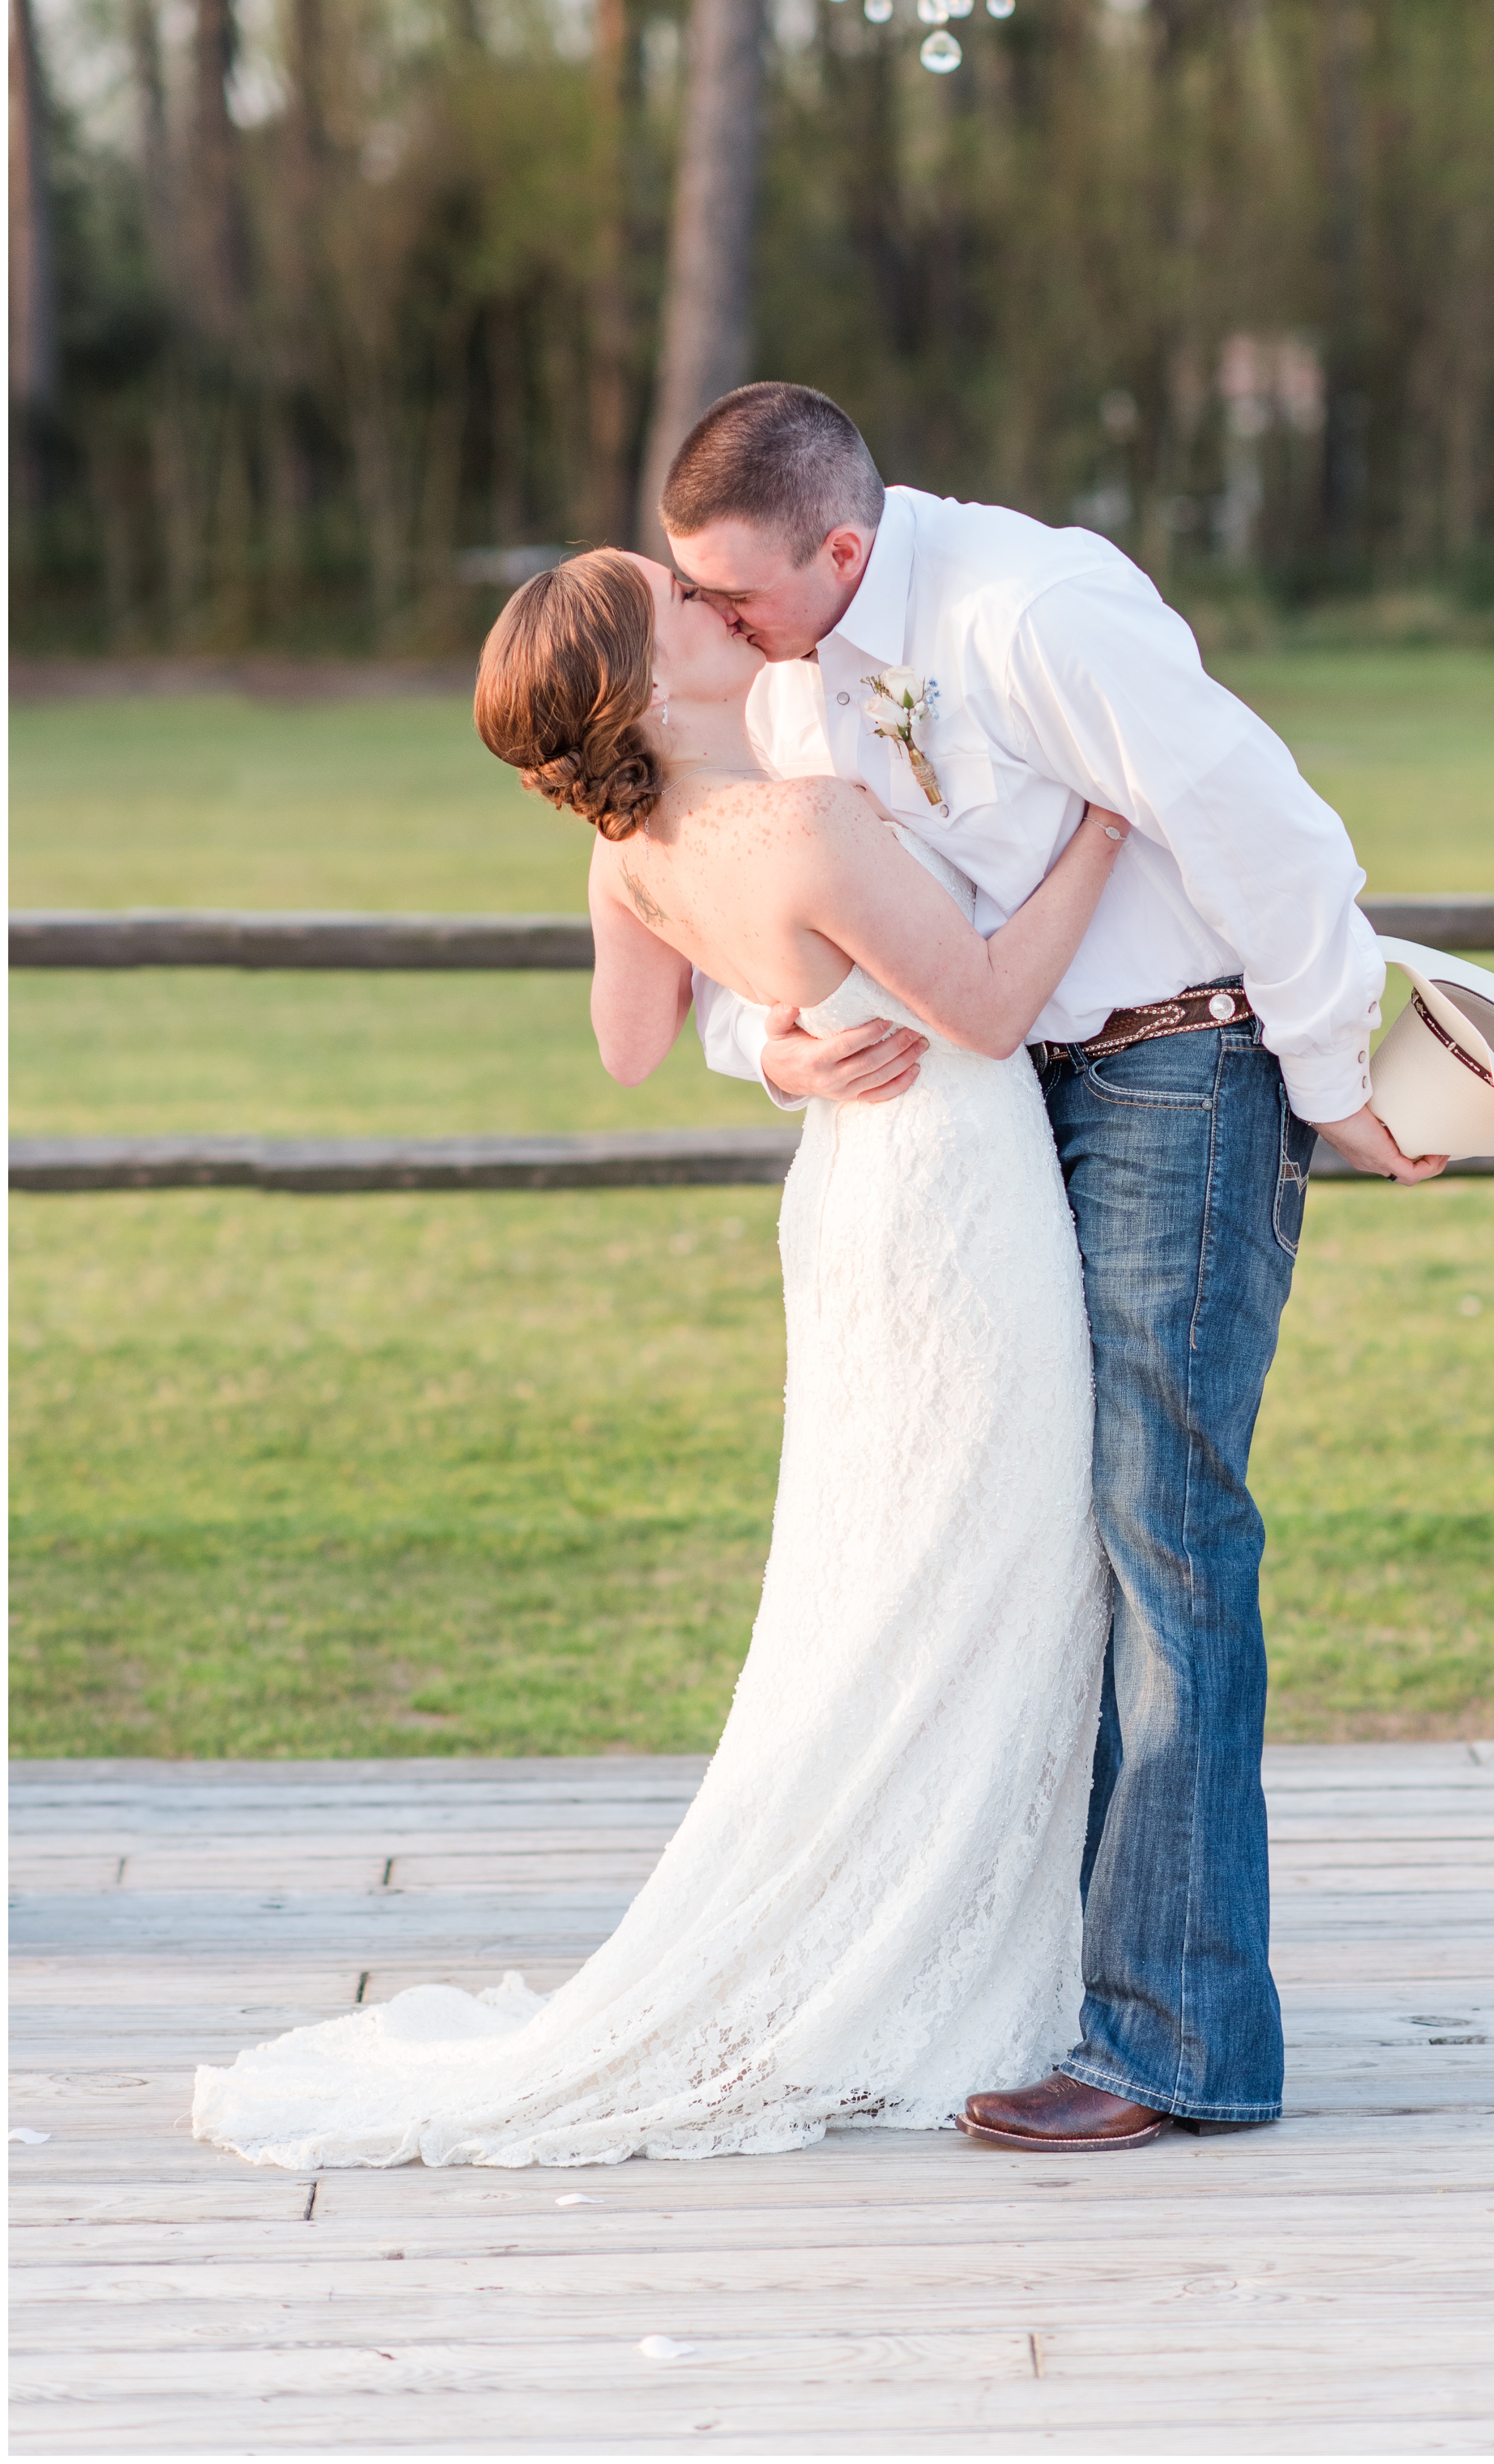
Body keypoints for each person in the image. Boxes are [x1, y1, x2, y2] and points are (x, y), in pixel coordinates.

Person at [192, 547, 1132, 2167]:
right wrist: (1107, 827)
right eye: (680, 604)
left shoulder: (627, 852)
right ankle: (934, 1960)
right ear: (641, 678)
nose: (715, 606)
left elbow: (632, 1046)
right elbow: (980, 1003)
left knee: (889, 1564)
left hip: (851, 1202)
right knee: (991, 1558)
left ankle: (928, 1938)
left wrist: (771, 1035)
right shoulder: (809, 821)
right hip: (959, 1196)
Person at [639, 383, 1445, 2154]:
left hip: (1188, 1059)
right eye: (695, 596)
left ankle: (1181, 2044)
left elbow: (1269, 831)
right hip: (1009, 1103)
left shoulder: (1034, 613)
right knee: (1028, 1527)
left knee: (1162, 1517)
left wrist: (1327, 1081)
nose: (709, 627)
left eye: (734, 592)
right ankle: (1040, 1991)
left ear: (841, 550)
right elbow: (743, 932)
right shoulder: (791, 675)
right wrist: (769, 1056)